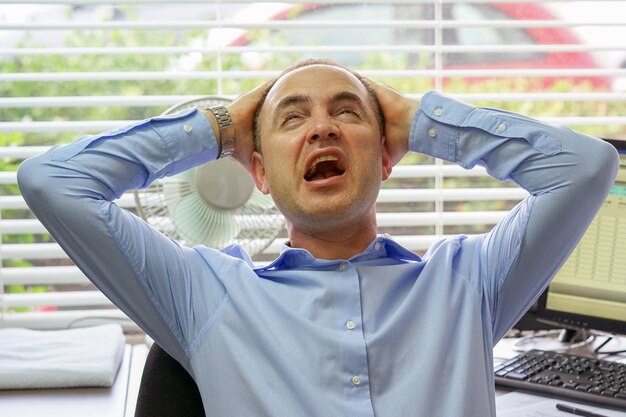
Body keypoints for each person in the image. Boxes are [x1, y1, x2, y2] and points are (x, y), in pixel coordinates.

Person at [18, 58, 618, 417]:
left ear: (386, 158)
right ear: (257, 171)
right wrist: (220, 125)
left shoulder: (469, 282)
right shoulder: (203, 293)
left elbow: (586, 166)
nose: (322, 128)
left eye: (348, 113)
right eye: (293, 117)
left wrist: (417, 121)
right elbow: (52, 182)